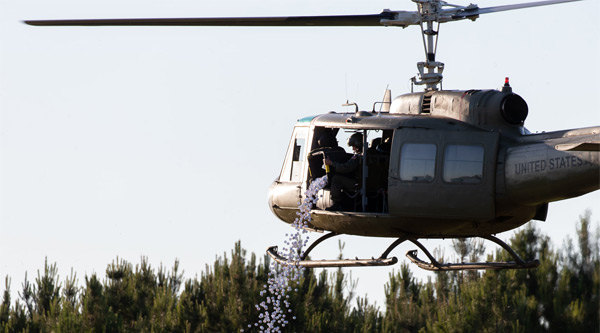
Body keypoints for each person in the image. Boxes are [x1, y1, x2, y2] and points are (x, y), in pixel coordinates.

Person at [324, 132, 363, 211]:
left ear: (357, 144)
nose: (353, 149)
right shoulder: (369, 154)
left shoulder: (357, 157)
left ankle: (337, 203)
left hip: (358, 183)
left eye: (353, 146)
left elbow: (345, 168)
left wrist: (331, 163)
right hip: (366, 183)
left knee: (336, 179)